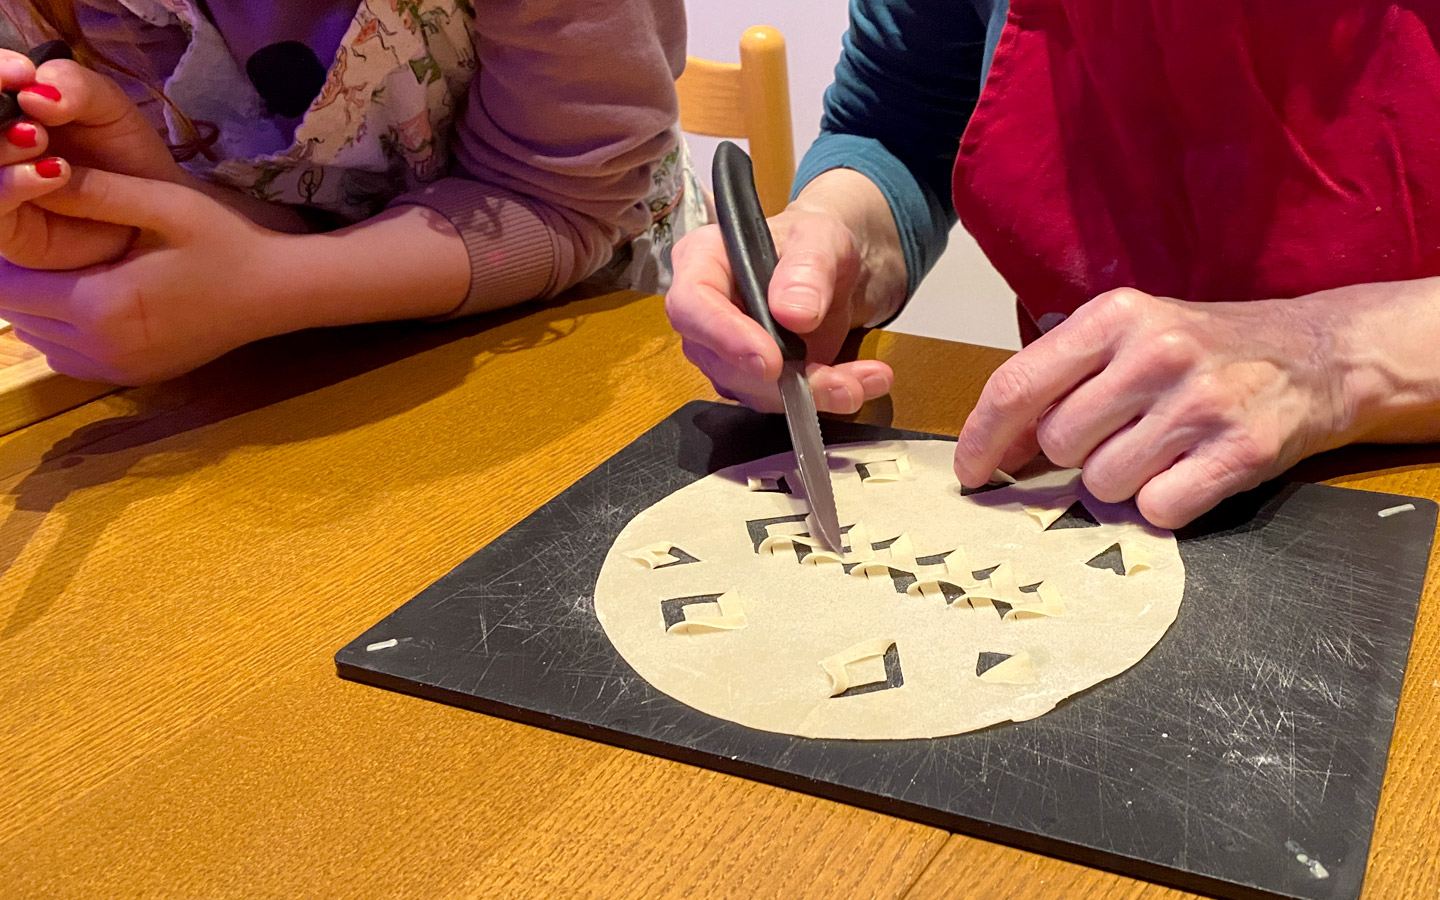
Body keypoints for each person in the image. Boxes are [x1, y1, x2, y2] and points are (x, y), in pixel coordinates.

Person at [667, 0, 1440, 528]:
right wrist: (834, 232)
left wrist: (1328, 361)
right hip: (1082, 471)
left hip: (1403, 482)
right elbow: (902, 118)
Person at [0, 0, 703, 384]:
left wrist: (264, 281)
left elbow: (565, 206)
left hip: (599, 330)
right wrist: (145, 195)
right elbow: (273, 214)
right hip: (306, 373)